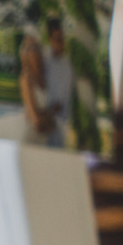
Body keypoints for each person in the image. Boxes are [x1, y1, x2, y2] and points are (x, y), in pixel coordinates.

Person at [41, 17, 74, 149]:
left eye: (63, 39)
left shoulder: (68, 65)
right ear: (50, 38)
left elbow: (61, 100)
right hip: (42, 119)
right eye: (58, 39)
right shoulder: (43, 57)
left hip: (59, 121)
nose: (62, 43)